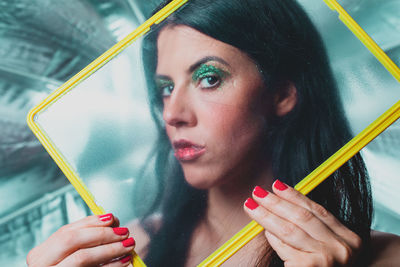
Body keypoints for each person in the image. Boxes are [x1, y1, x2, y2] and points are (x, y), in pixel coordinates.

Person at [27, 0, 400, 266]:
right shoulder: (123, 251)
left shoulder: (386, 258)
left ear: (283, 94)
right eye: (165, 88)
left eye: (209, 78)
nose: (172, 114)